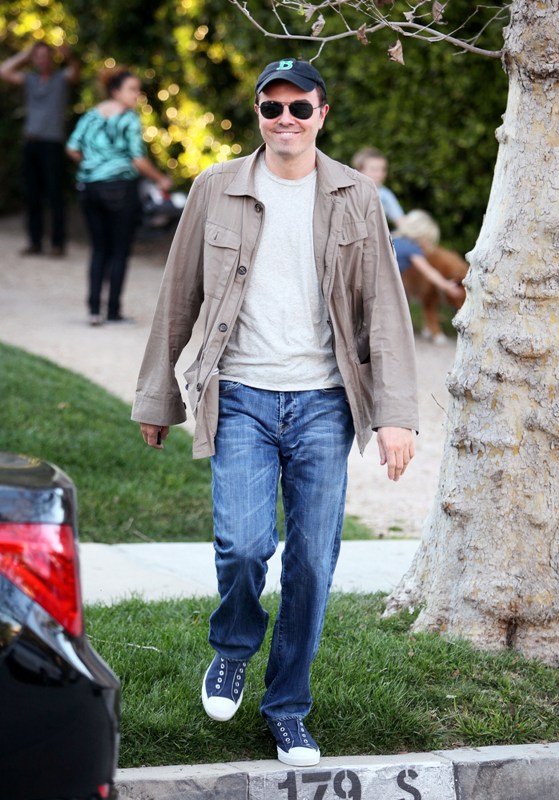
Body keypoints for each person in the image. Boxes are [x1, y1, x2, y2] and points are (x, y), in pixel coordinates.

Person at [132, 58, 419, 766]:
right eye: (272, 107)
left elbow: (384, 307)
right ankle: (232, 647)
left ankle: (287, 708)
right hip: (240, 396)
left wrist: (396, 414)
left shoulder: (355, 195)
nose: (285, 119)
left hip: (324, 403)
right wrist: (159, 398)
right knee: (243, 544)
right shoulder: (217, 186)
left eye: (299, 107)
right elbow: (178, 295)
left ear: (322, 114)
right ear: (257, 113)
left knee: (313, 564)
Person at [66, 67, 172, 326]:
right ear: (116, 91)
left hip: (89, 188)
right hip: (120, 190)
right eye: (132, 89)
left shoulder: (91, 115)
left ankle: (94, 310)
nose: (137, 95)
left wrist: (94, 166)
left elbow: (72, 148)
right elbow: (137, 159)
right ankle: (113, 311)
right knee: (119, 250)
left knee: (99, 249)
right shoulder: (128, 118)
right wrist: (160, 179)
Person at [0, 41, 81, 256]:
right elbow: (4, 70)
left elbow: (75, 73)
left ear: (52, 58)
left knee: (55, 195)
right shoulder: (29, 80)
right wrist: (26, 55)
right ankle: (35, 242)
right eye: (38, 56)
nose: (42, 60)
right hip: (31, 143)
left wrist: (69, 56)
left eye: (45, 55)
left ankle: (57, 244)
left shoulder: (60, 79)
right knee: (31, 195)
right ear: (34, 59)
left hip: (52, 143)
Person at [392, 210, 466, 343]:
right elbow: (429, 272)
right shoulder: (412, 248)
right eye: (429, 240)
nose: (429, 245)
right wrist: (447, 286)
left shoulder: (393, 239)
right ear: (421, 236)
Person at [352, 146, 405, 226]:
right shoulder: (347, 191)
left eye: (383, 170)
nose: (379, 174)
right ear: (359, 170)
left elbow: (401, 221)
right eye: (374, 169)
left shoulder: (385, 194)